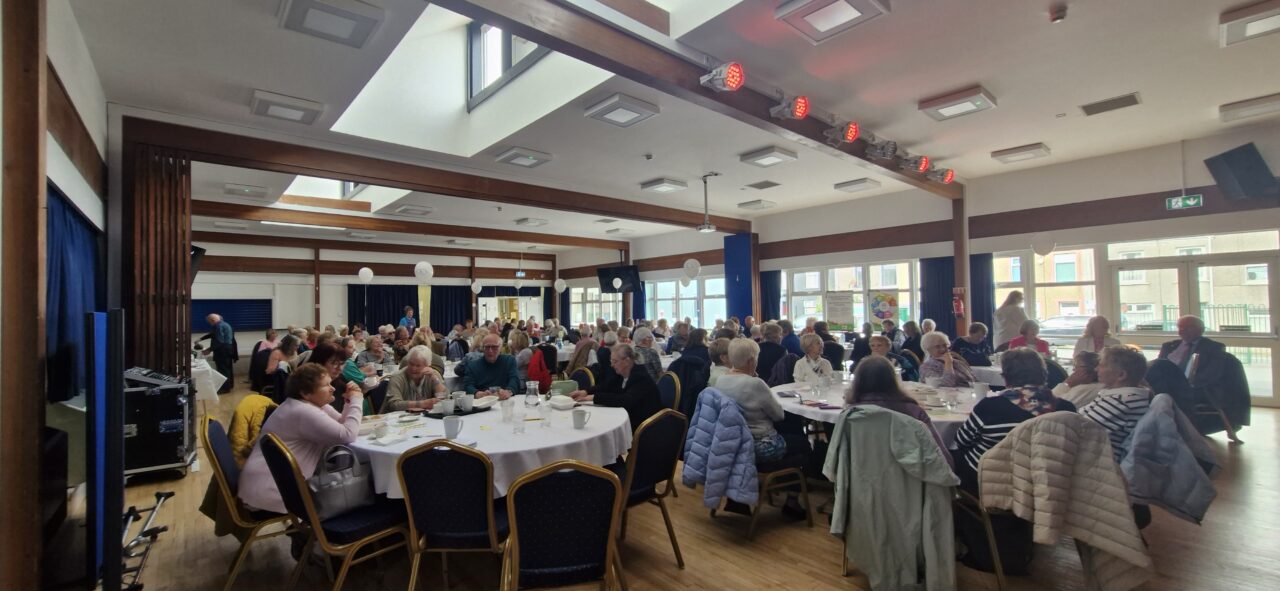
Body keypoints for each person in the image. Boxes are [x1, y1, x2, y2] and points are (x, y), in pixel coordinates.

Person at [238, 363, 363, 514]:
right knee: (357, 491)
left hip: (268, 484)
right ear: (305, 393)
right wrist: (357, 400)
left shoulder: (309, 405)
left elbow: (342, 424)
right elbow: (348, 435)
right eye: (326, 385)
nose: (333, 388)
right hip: (273, 491)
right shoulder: (303, 411)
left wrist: (349, 401)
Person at [951, 347, 1076, 493]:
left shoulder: (990, 407)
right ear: (1044, 374)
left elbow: (961, 441)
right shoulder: (1067, 409)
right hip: (1046, 483)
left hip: (992, 482)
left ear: (1006, 377)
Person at [714, 338, 809, 519]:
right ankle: (792, 500)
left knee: (792, 440)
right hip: (760, 446)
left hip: (732, 445)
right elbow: (778, 415)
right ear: (751, 361)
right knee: (803, 446)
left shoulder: (720, 381)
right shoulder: (756, 384)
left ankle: (738, 495)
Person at [847, 356, 951, 467]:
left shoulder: (850, 414)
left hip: (861, 472)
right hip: (908, 474)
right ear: (894, 380)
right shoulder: (914, 412)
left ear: (858, 381)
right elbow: (942, 459)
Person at [1079, 346, 1153, 461]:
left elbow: (1080, 430)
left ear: (1121, 375)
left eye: (1102, 365)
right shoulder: (1124, 397)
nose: (1096, 369)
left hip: (1098, 462)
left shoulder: (1121, 402)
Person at [569, 343, 663, 433]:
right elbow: (606, 386)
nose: (612, 365)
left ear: (627, 361)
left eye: (615, 361)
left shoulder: (641, 377)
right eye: (611, 361)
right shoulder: (622, 374)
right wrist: (586, 392)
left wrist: (594, 397)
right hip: (630, 418)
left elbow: (625, 400)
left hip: (645, 427)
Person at [381, 346, 446, 412]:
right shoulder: (397, 377)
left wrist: (435, 379)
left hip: (423, 416)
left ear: (427, 366)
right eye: (411, 364)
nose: (413, 368)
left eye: (418, 366)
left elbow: (444, 398)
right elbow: (394, 405)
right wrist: (424, 404)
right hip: (394, 417)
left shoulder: (433, 374)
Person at [461, 334, 518, 398]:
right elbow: (468, 385)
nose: (490, 351)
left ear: (500, 348)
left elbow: (514, 380)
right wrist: (477, 393)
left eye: (494, 347)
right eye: (487, 347)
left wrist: (508, 391)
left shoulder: (509, 361)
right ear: (483, 348)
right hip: (483, 400)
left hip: (505, 400)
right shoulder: (472, 366)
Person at [198, 313, 237, 394]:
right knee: (228, 369)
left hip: (222, 351)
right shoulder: (225, 324)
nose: (210, 324)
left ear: (212, 320)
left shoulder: (217, 326)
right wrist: (201, 339)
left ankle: (225, 389)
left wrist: (209, 350)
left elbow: (219, 341)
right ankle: (229, 385)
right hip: (229, 349)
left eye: (209, 322)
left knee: (222, 370)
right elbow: (212, 334)